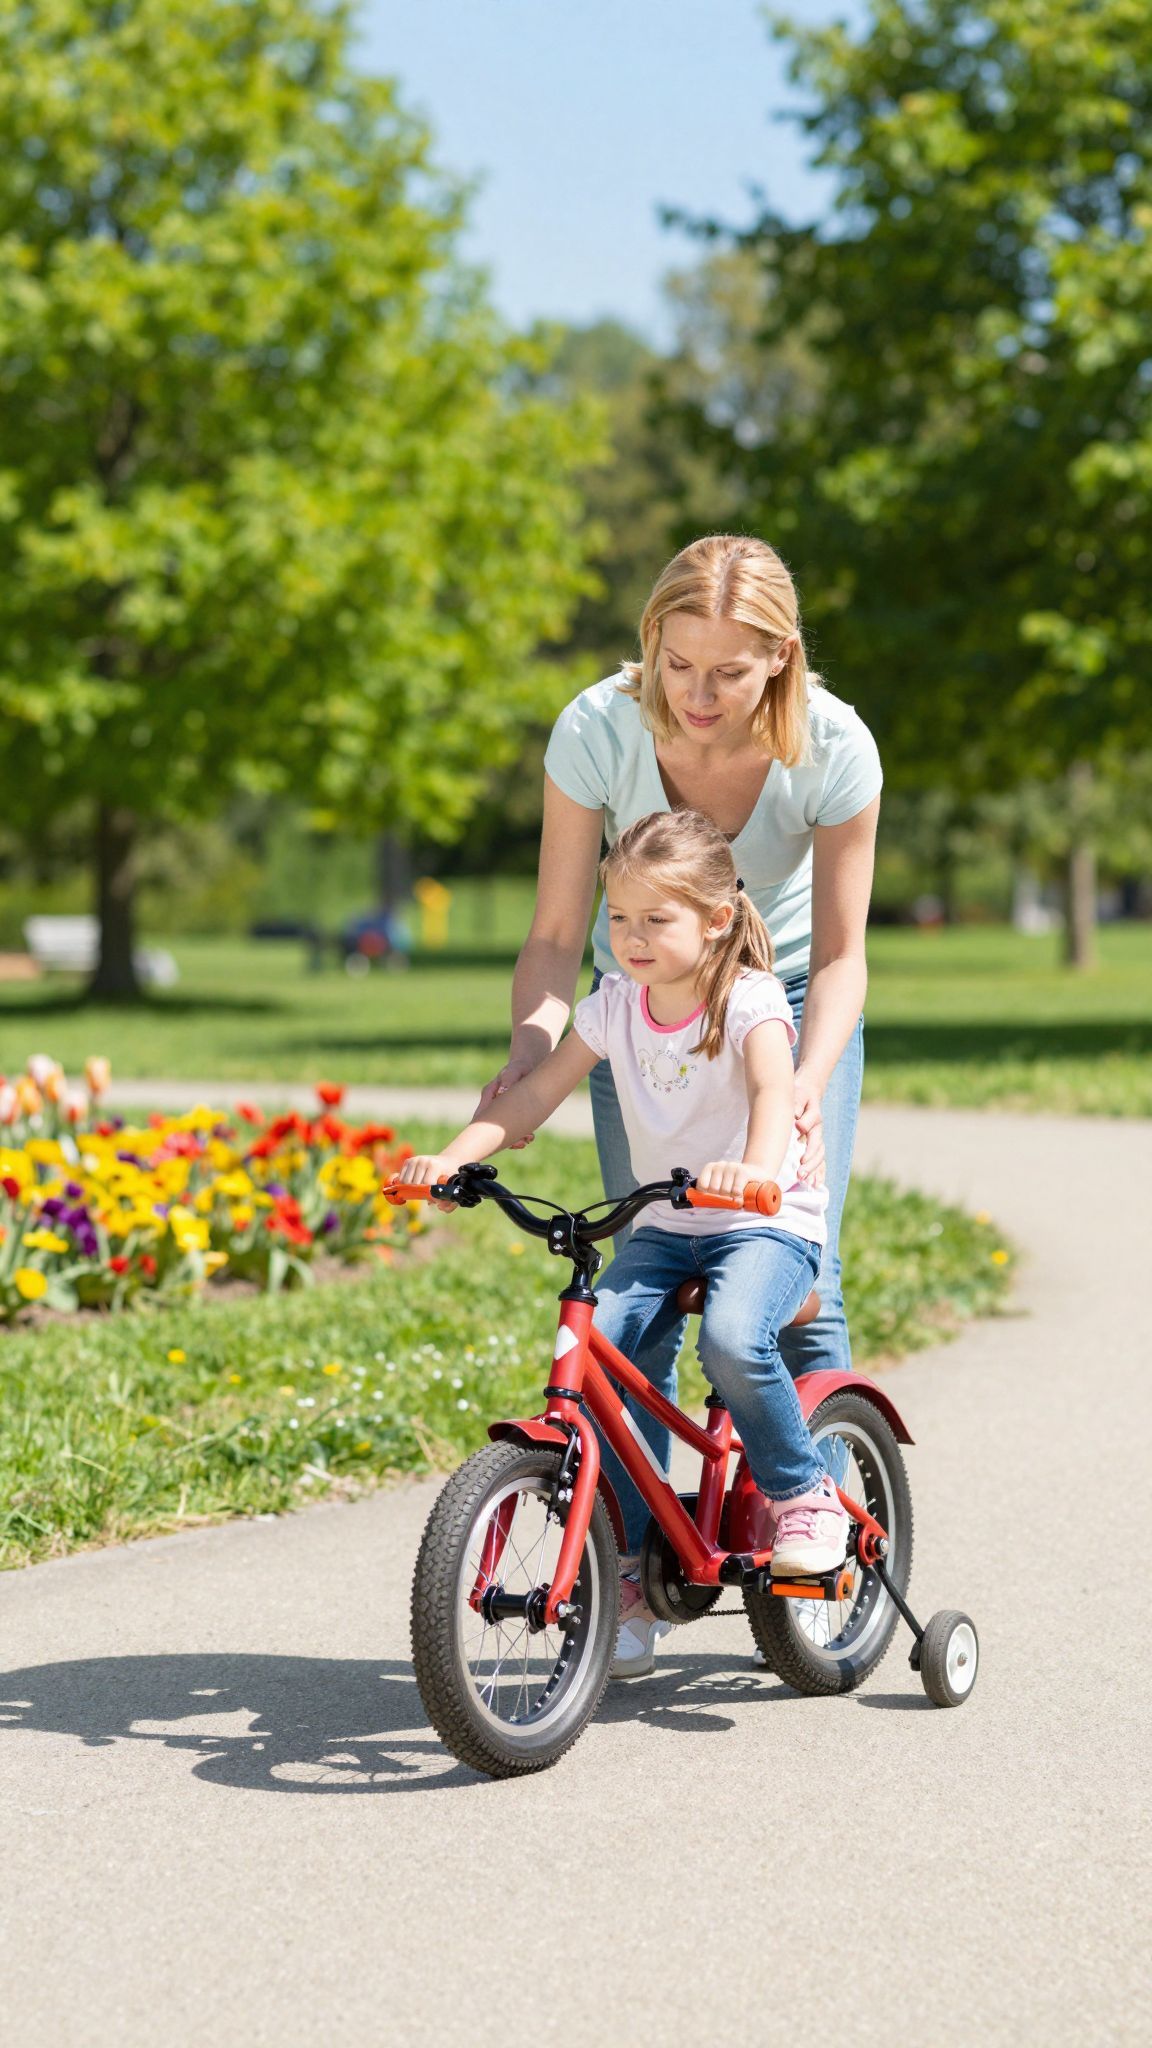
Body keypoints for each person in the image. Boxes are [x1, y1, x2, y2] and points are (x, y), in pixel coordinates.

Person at [396, 808, 848, 1681]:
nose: (632, 939)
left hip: (763, 1219)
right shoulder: (613, 1007)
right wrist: (451, 1159)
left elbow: (769, 1090)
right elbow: (531, 1099)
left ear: (716, 921)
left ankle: (802, 1494)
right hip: (672, 1224)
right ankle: (632, 1573)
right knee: (603, 1355)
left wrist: (756, 1171)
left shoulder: (747, 999)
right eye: (620, 919)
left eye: (657, 920)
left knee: (729, 1338)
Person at [476, 535, 882, 1400]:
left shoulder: (835, 745)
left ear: (779, 657)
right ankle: (639, 1534)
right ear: (652, 638)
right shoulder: (598, 728)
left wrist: (807, 1082)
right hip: (645, 1002)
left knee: (801, 1274)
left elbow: (846, 953)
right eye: (678, 664)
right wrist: (528, 1055)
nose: (698, 696)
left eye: (729, 673)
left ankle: (820, 1516)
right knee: (647, 1276)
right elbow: (554, 934)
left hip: (791, 1001)